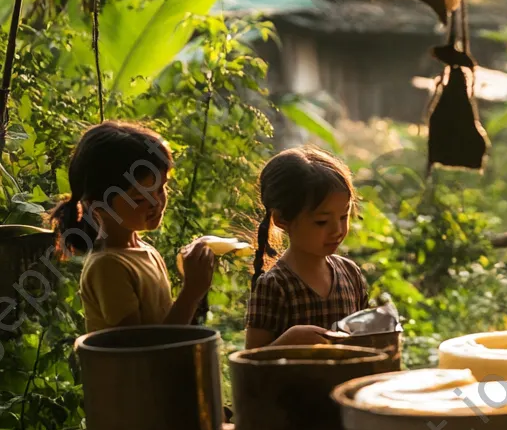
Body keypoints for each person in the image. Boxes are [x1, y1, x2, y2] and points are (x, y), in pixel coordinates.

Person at [51, 121, 217, 331]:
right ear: (98, 206)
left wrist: (196, 286)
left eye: (160, 189)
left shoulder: (144, 251)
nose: (157, 203)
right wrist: (191, 292)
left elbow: (163, 325)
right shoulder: (108, 267)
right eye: (139, 199)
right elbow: (141, 349)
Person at [245, 147, 370, 349]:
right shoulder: (275, 285)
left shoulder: (350, 274)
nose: (337, 230)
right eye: (321, 221)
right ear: (282, 220)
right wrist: (288, 342)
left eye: (343, 216)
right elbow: (250, 363)